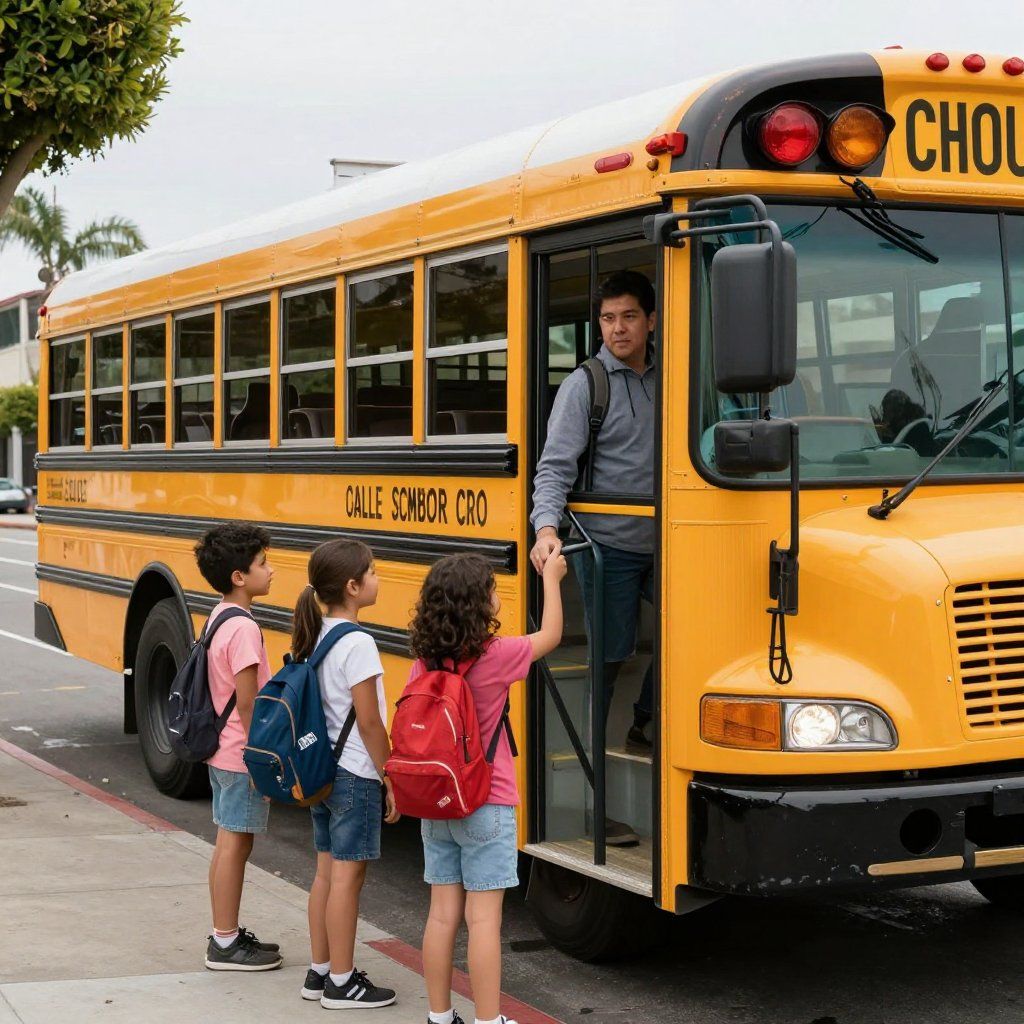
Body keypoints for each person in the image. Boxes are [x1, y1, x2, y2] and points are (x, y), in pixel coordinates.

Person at [409, 552, 566, 1024]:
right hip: (487, 802)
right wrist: (553, 580)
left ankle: (439, 1016)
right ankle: (488, 1020)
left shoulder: (425, 660)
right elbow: (553, 636)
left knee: (441, 916)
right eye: (493, 589)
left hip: (438, 801)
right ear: (479, 605)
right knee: (483, 921)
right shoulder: (496, 656)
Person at [530, 270, 657, 842]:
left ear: (651, 320)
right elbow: (555, 465)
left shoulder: (676, 373)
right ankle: (589, 799)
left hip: (673, 542)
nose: (617, 328)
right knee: (607, 665)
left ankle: (646, 725)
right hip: (609, 544)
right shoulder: (586, 384)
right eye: (608, 319)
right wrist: (546, 528)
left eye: (628, 316)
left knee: (704, 634)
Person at [292, 539, 400, 1010]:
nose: (379, 578)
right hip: (355, 772)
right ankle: (342, 981)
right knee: (347, 881)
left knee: (324, 874)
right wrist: (389, 771)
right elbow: (370, 720)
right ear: (353, 587)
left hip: (321, 772)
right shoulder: (359, 642)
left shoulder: (316, 634)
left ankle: (319, 972)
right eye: (373, 572)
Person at [193, 523, 282, 971]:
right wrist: (263, 757)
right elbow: (249, 702)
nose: (272, 570)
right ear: (239, 577)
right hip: (239, 752)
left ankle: (223, 932)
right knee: (235, 845)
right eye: (263, 563)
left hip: (221, 749)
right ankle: (225, 943)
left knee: (227, 841)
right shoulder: (244, 628)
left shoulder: (219, 613)